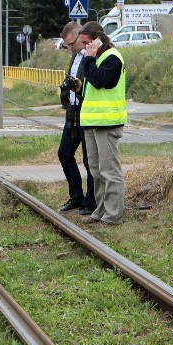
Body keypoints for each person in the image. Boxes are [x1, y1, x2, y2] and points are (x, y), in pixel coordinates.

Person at [74, 21, 126, 226]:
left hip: (108, 122)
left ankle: (113, 215)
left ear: (97, 39)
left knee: (109, 170)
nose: (85, 47)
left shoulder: (112, 58)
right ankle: (101, 209)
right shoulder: (96, 57)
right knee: (95, 170)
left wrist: (88, 60)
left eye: (87, 43)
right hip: (92, 122)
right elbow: (93, 88)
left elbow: (98, 80)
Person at [56, 22, 96, 215]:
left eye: (71, 43)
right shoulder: (74, 56)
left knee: (89, 160)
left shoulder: (91, 55)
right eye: (67, 45)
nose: (69, 48)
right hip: (72, 111)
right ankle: (77, 196)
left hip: (86, 111)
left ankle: (91, 200)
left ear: (81, 36)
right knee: (64, 153)